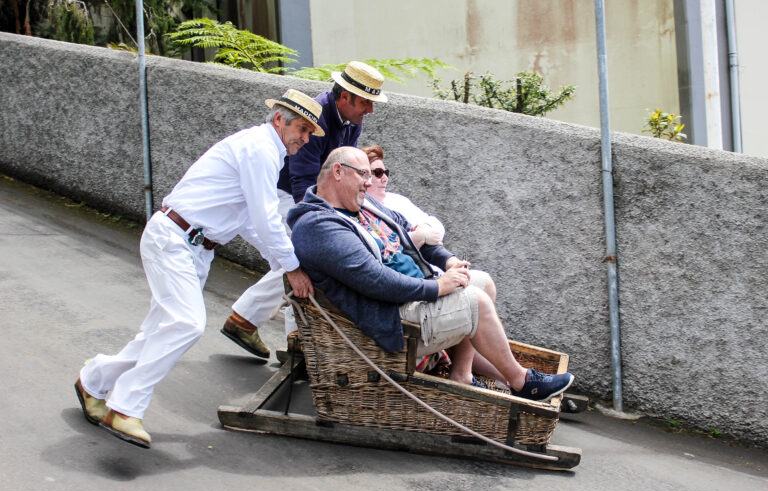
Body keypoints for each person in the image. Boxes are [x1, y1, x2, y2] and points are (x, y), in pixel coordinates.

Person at [74, 89, 323, 449]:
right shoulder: (260, 149)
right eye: (301, 128)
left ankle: (93, 380)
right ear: (278, 120)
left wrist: (279, 265)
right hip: (175, 238)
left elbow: (250, 223)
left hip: (192, 247)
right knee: (186, 323)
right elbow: (266, 218)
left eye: (309, 133)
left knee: (159, 330)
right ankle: (125, 407)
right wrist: (292, 268)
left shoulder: (265, 151)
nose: (304, 139)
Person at [287, 146, 574, 401]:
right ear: (338, 172)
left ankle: (461, 375)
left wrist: (448, 263)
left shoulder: (364, 205)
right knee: (477, 301)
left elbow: (412, 237)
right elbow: (375, 281)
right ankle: (521, 382)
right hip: (390, 318)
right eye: (364, 174)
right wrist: (438, 288)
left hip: (412, 293)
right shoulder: (319, 226)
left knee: (483, 283)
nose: (369, 182)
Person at [221, 61, 388, 358]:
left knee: (301, 258)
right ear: (345, 96)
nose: (370, 110)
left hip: (311, 193)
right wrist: (314, 223)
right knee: (304, 255)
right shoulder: (318, 116)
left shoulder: (353, 122)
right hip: (284, 192)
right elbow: (302, 178)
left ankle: (255, 324)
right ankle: (289, 337)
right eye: (366, 102)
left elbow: (344, 168)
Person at [361, 144, 506, 386]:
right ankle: (514, 380)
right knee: (475, 306)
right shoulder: (364, 212)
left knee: (480, 287)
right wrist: (417, 237)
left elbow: (436, 228)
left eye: (386, 172)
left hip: (432, 276)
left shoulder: (396, 202)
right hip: (413, 293)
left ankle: (493, 377)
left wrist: (438, 250)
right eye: (376, 173)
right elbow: (391, 252)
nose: (383, 177)